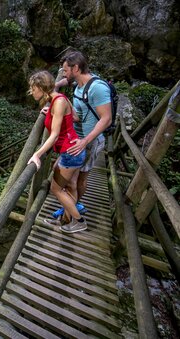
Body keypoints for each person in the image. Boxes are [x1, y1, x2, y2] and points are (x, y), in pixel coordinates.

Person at [50, 50, 112, 232]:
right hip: (77, 140)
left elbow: (106, 118)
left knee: (79, 180)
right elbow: (65, 81)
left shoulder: (97, 88)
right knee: (70, 181)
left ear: (76, 68)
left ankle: (72, 217)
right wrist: (54, 86)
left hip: (90, 141)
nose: (64, 73)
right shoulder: (79, 83)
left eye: (65, 70)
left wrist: (85, 141)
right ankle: (67, 213)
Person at [27, 70, 88, 233]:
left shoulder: (59, 101)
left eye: (33, 88)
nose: (31, 91)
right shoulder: (58, 100)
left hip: (70, 154)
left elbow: (54, 135)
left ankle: (79, 221)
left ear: (41, 87)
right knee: (68, 185)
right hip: (71, 152)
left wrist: (37, 154)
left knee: (56, 189)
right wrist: (52, 115)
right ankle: (65, 220)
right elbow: (74, 117)